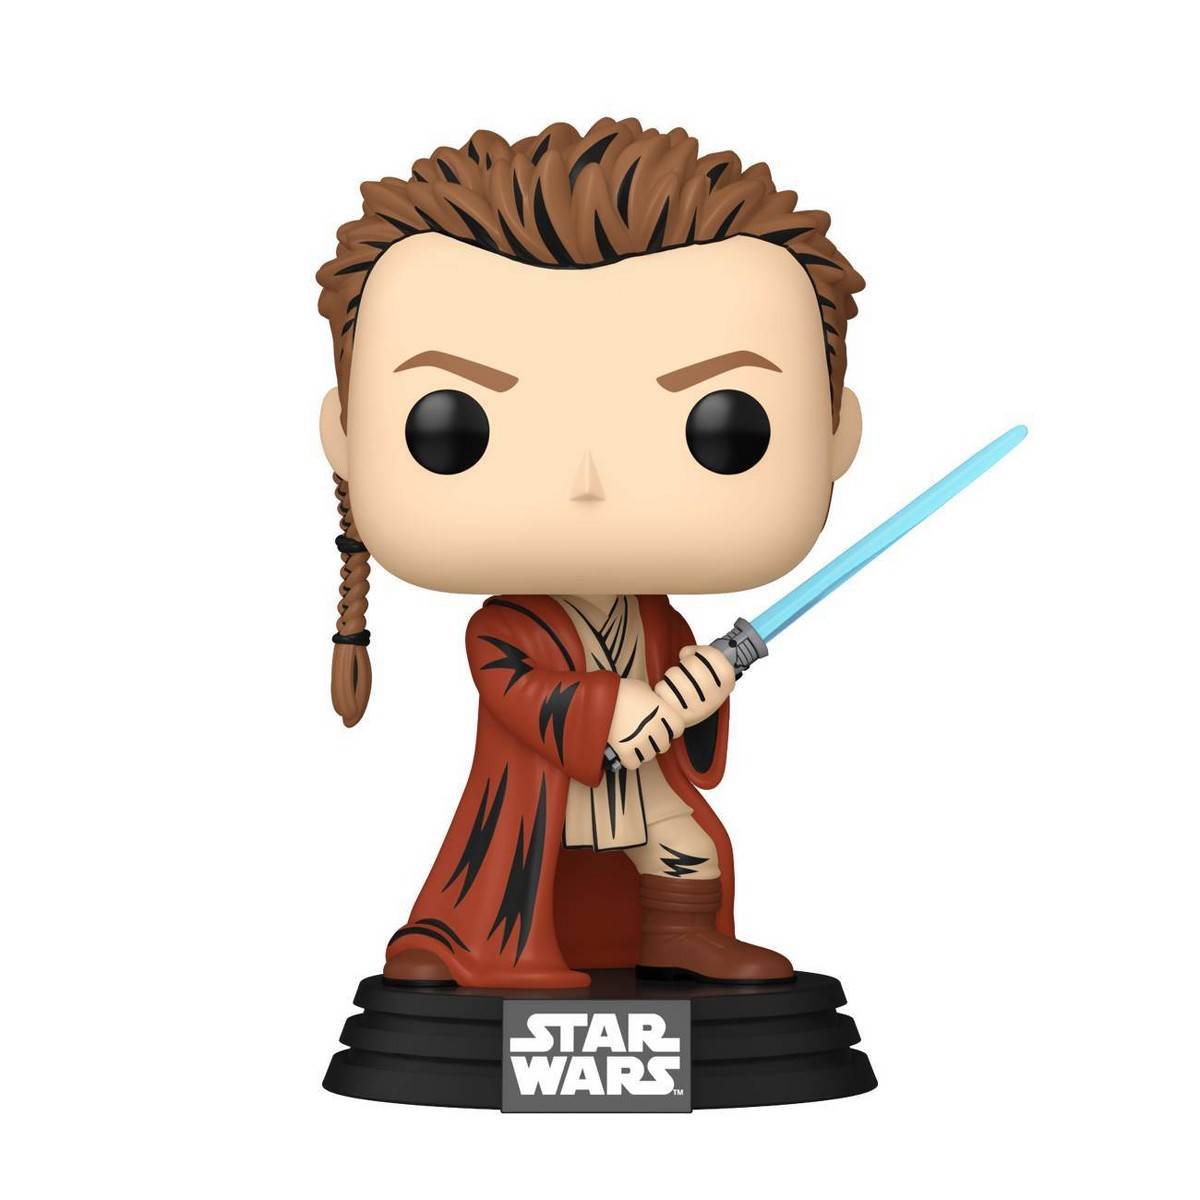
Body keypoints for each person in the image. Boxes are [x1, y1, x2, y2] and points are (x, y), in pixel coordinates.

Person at [315, 118, 864, 987]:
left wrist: (702, 691)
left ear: (836, 434)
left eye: (724, 427)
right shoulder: (501, 627)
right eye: (452, 428)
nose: (587, 480)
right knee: (521, 872)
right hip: (550, 795)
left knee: (684, 844)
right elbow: (517, 690)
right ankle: (479, 944)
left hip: (640, 787)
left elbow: (689, 711)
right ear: (346, 437)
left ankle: (679, 937)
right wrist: (607, 707)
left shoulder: (656, 618)